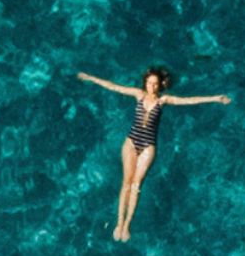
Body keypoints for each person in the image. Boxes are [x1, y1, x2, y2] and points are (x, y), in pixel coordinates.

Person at [75, 67, 232, 241]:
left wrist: (216, 98)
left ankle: (127, 224)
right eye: (149, 83)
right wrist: (90, 77)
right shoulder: (138, 94)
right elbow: (114, 86)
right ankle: (119, 223)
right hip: (131, 143)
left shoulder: (163, 100)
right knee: (126, 183)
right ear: (146, 83)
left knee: (136, 185)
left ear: (160, 85)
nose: (152, 86)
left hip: (148, 146)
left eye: (155, 84)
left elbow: (189, 100)